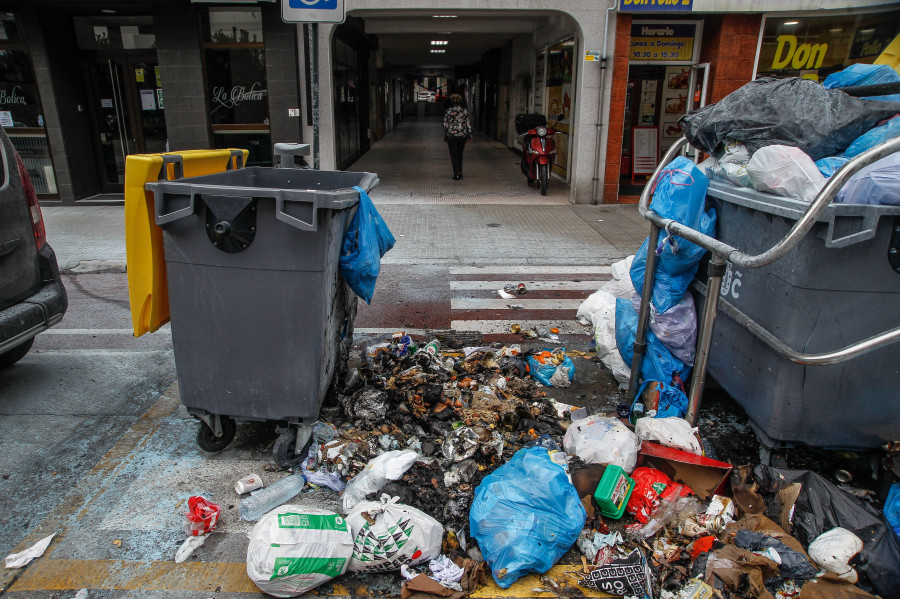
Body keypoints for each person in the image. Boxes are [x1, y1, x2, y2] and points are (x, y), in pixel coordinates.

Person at [442, 94, 472, 180]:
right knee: (460, 153)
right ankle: (460, 171)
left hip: (451, 136)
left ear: (451, 101)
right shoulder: (464, 111)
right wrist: (470, 135)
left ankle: (456, 174)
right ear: (460, 101)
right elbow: (468, 124)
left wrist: (448, 130)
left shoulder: (448, 111)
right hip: (462, 136)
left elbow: (444, 124)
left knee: (453, 154)